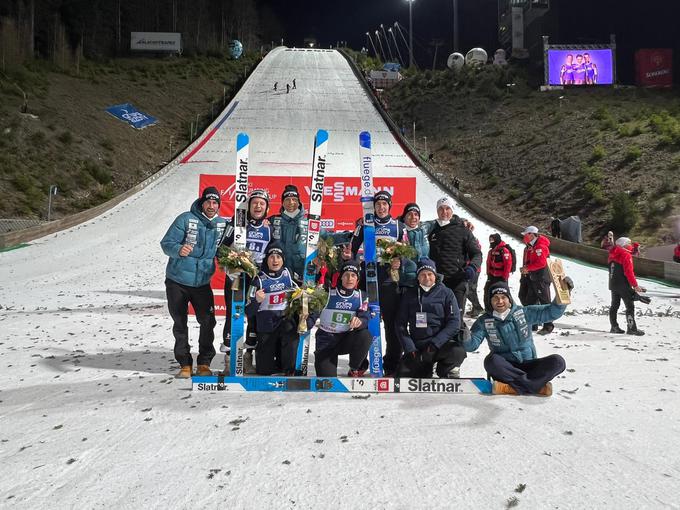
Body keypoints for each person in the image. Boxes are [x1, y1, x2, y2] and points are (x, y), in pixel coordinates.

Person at [160, 187, 230, 378]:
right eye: (208, 202)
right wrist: (178, 249)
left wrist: (229, 261)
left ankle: (204, 363)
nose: (211, 206)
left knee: (208, 321)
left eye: (215, 203)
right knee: (180, 322)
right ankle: (184, 364)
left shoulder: (221, 224)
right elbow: (166, 243)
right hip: (177, 281)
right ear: (202, 202)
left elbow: (224, 251)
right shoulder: (185, 219)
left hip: (202, 283)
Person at [465, 281, 568, 396]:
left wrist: (563, 293)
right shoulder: (483, 321)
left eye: (503, 297)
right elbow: (471, 345)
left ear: (509, 299)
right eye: (495, 298)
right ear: (490, 301)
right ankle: (535, 386)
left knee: (558, 362)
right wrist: (464, 334)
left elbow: (550, 313)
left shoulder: (524, 312)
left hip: (530, 365)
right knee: (491, 361)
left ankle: (511, 388)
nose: (500, 301)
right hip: (507, 370)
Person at [351, 190, 414, 375]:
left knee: (392, 325)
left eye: (384, 204)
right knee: (364, 320)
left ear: (390, 206)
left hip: (388, 280)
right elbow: (352, 250)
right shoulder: (365, 225)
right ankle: (361, 363)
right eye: (378, 204)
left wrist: (399, 261)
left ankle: (391, 364)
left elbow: (407, 253)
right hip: (367, 278)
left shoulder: (399, 226)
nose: (381, 207)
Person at [220, 189, 272, 370]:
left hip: (256, 278)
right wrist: (229, 266)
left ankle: (248, 355)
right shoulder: (237, 222)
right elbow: (222, 248)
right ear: (248, 205)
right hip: (236, 275)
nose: (258, 206)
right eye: (254, 203)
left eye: (262, 204)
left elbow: (275, 253)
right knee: (233, 313)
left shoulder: (269, 226)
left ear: (266, 208)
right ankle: (229, 357)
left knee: (254, 315)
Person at [246, 242, 309, 375]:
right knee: (264, 371)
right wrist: (256, 301)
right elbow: (249, 311)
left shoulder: (288, 274)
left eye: (278, 257)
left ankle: (288, 367)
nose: (275, 260)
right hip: (267, 325)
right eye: (272, 257)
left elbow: (306, 285)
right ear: (266, 259)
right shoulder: (258, 280)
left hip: (285, 321)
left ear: (283, 259)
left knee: (290, 329)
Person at [395, 258, 465, 378]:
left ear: (435, 275)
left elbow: (454, 322)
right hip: (418, 347)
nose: (426, 278)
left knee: (457, 351)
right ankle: (424, 368)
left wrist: (435, 344)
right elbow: (400, 324)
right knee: (404, 376)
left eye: (429, 274)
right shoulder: (409, 294)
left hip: (439, 344)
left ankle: (445, 370)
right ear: (417, 277)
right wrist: (410, 348)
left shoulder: (446, 293)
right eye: (422, 274)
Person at [427, 197, 482, 321]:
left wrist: (472, 268)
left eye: (447, 208)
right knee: (438, 319)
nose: (444, 212)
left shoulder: (464, 230)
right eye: (441, 209)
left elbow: (477, 254)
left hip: (457, 282)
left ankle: (460, 340)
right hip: (436, 283)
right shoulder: (431, 230)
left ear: (452, 210)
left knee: (455, 320)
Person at [314, 260, 372, 377]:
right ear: (341, 277)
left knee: (365, 335)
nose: (349, 279)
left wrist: (360, 321)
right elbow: (314, 308)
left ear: (357, 279)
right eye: (346, 275)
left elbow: (365, 317)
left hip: (345, 339)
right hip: (326, 341)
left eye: (353, 275)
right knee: (327, 380)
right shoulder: (328, 293)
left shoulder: (361, 296)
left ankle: (355, 368)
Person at [518, 225, 554, 335]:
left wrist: (527, 268)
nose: (525, 237)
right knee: (529, 301)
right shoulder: (531, 246)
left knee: (545, 301)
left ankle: (548, 326)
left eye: (526, 235)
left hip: (541, 278)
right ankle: (533, 323)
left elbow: (541, 263)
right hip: (533, 278)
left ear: (532, 234)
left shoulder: (540, 247)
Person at [608, 237, 648, 336]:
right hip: (624, 285)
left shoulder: (612, 255)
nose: (630, 245)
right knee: (630, 307)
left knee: (614, 306)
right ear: (624, 244)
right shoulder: (625, 255)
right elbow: (628, 272)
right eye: (628, 243)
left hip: (613, 284)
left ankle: (614, 327)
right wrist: (635, 286)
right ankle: (632, 329)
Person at [269, 184, 307, 282]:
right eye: (287, 200)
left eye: (294, 199)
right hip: (279, 273)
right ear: (282, 203)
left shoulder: (308, 223)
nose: (291, 202)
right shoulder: (273, 220)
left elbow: (326, 237)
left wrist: (349, 236)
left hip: (302, 274)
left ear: (299, 202)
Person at [484, 233, 513, 311]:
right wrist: (488, 274)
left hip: (501, 277)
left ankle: (509, 308)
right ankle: (489, 309)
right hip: (492, 276)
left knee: (503, 294)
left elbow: (508, 264)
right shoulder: (491, 250)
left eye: (492, 239)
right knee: (488, 292)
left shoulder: (504, 250)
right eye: (490, 240)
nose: (491, 241)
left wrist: (505, 277)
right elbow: (488, 263)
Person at [462, 218, 484, 317]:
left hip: (473, 269)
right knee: (469, 289)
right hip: (468, 268)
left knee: (470, 289)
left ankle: (477, 307)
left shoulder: (472, 239)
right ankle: (476, 308)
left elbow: (476, 253)